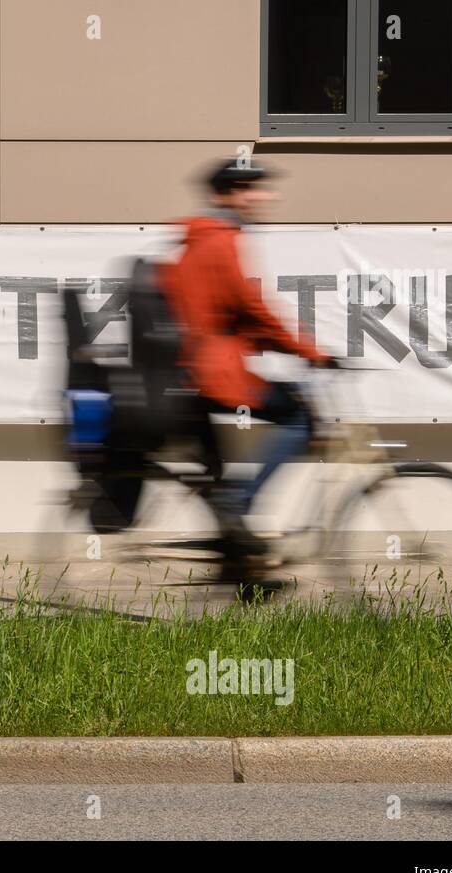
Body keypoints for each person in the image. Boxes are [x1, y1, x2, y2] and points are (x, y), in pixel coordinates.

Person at [161, 159, 335, 579]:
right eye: (248, 189)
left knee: (217, 478)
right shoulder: (221, 242)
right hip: (210, 372)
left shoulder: (198, 241)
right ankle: (238, 504)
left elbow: (232, 315)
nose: (262, 198)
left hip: (189, 372)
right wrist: (311, 352)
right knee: (300, 417)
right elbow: (252, 309)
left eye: (260, 189)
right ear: (225, 196)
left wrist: (279, 345)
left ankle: (243, 567)